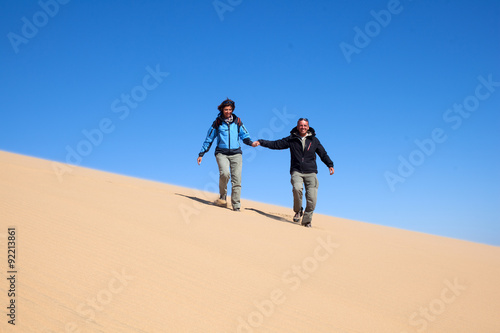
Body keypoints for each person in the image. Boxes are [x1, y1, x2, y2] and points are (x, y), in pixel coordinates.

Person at [252, 118, 334, 227]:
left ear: (308, 127)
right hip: (297, 171)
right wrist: (261, 142)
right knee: (297, 189)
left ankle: (306, 221)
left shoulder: (314, 140)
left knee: (312, 198)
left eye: (305, 125)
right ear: (297, 126)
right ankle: (298, 210)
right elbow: (276, 144)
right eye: (301, 125)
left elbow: (323, 153)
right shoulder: (292, 139)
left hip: (311, 172)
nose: (303, 127)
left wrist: (330, 164)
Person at [197, 98, 256, 211]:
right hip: (221, 153)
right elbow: (209, 139)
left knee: (237, 180)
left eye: (230, 109)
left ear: (232, 110)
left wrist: (251, 143)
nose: (228, 112)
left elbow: (245, 135)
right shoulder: (217, 123)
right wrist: (201, 153)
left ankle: (236, 205)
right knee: (225, 174)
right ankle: (223, 196)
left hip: (236, 154)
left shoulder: (237, 121)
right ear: (222, 110)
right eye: (226, 109)